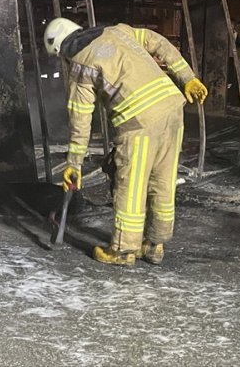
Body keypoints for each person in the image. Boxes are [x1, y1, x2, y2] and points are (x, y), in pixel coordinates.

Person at [44, 17, 208, 267]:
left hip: (138, 120)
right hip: (172, 107)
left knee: (130, 182)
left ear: (61, 51)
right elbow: (159, 42)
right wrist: (187, 77)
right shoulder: (119, 31)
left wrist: (74, 165)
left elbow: (80, 122)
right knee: (162, 179)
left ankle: (123, 250)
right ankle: (155, 245)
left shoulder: (80, 64)